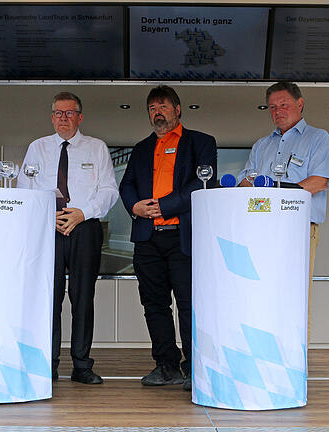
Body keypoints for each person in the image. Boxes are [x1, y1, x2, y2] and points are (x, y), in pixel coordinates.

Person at [119, 85, 217, 391]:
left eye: (162, 106)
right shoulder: (140, 148)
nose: (157, 112)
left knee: (188, 304)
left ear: (177, 109)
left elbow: (203, 182)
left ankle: (194, 368)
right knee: (154, 305)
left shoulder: (201, 143)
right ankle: (166, 366)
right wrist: (135, 206)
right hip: (147, 239)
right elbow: (127, 186)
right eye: (152, 108)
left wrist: (163, 206)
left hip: (182, 238)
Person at [17, 92, 119, 385]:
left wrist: (81, 213)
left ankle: (82, 365)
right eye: (58, 113)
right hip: (47, 227)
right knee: (48, 298)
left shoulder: (96, 148)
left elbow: (109, 190)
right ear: (52, 117)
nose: (63, 118)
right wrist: (51, 216)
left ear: (80, 117)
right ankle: (47, 364)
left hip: (84, 227)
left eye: (70, 113)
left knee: (83, 298)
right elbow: (26, 189)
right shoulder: (38, 148)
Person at [238, 81, 329, 338]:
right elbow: (245, 182)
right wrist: (247, 184)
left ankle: (294, 368)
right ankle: (265, 362)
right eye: (272, 107)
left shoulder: (318, 138)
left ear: (300, 104)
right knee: (262, 296)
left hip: (297, 230)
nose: (277, 111)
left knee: (294, 298)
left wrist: (275, 202)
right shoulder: (261, 145)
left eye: (284, 105)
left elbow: (319, 181)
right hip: (261, 232)